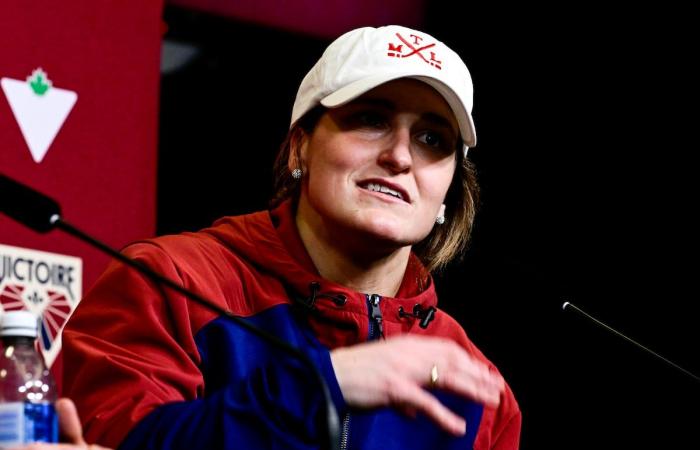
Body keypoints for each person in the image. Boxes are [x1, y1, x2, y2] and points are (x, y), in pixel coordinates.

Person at [61, 25, 521, 449]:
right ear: (301, 145)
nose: (400, 156)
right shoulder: (169, 281)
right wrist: (322, 386)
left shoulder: (476, 381)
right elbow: (115, 441)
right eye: (370, 119)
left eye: (432, 140)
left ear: (448, 192)